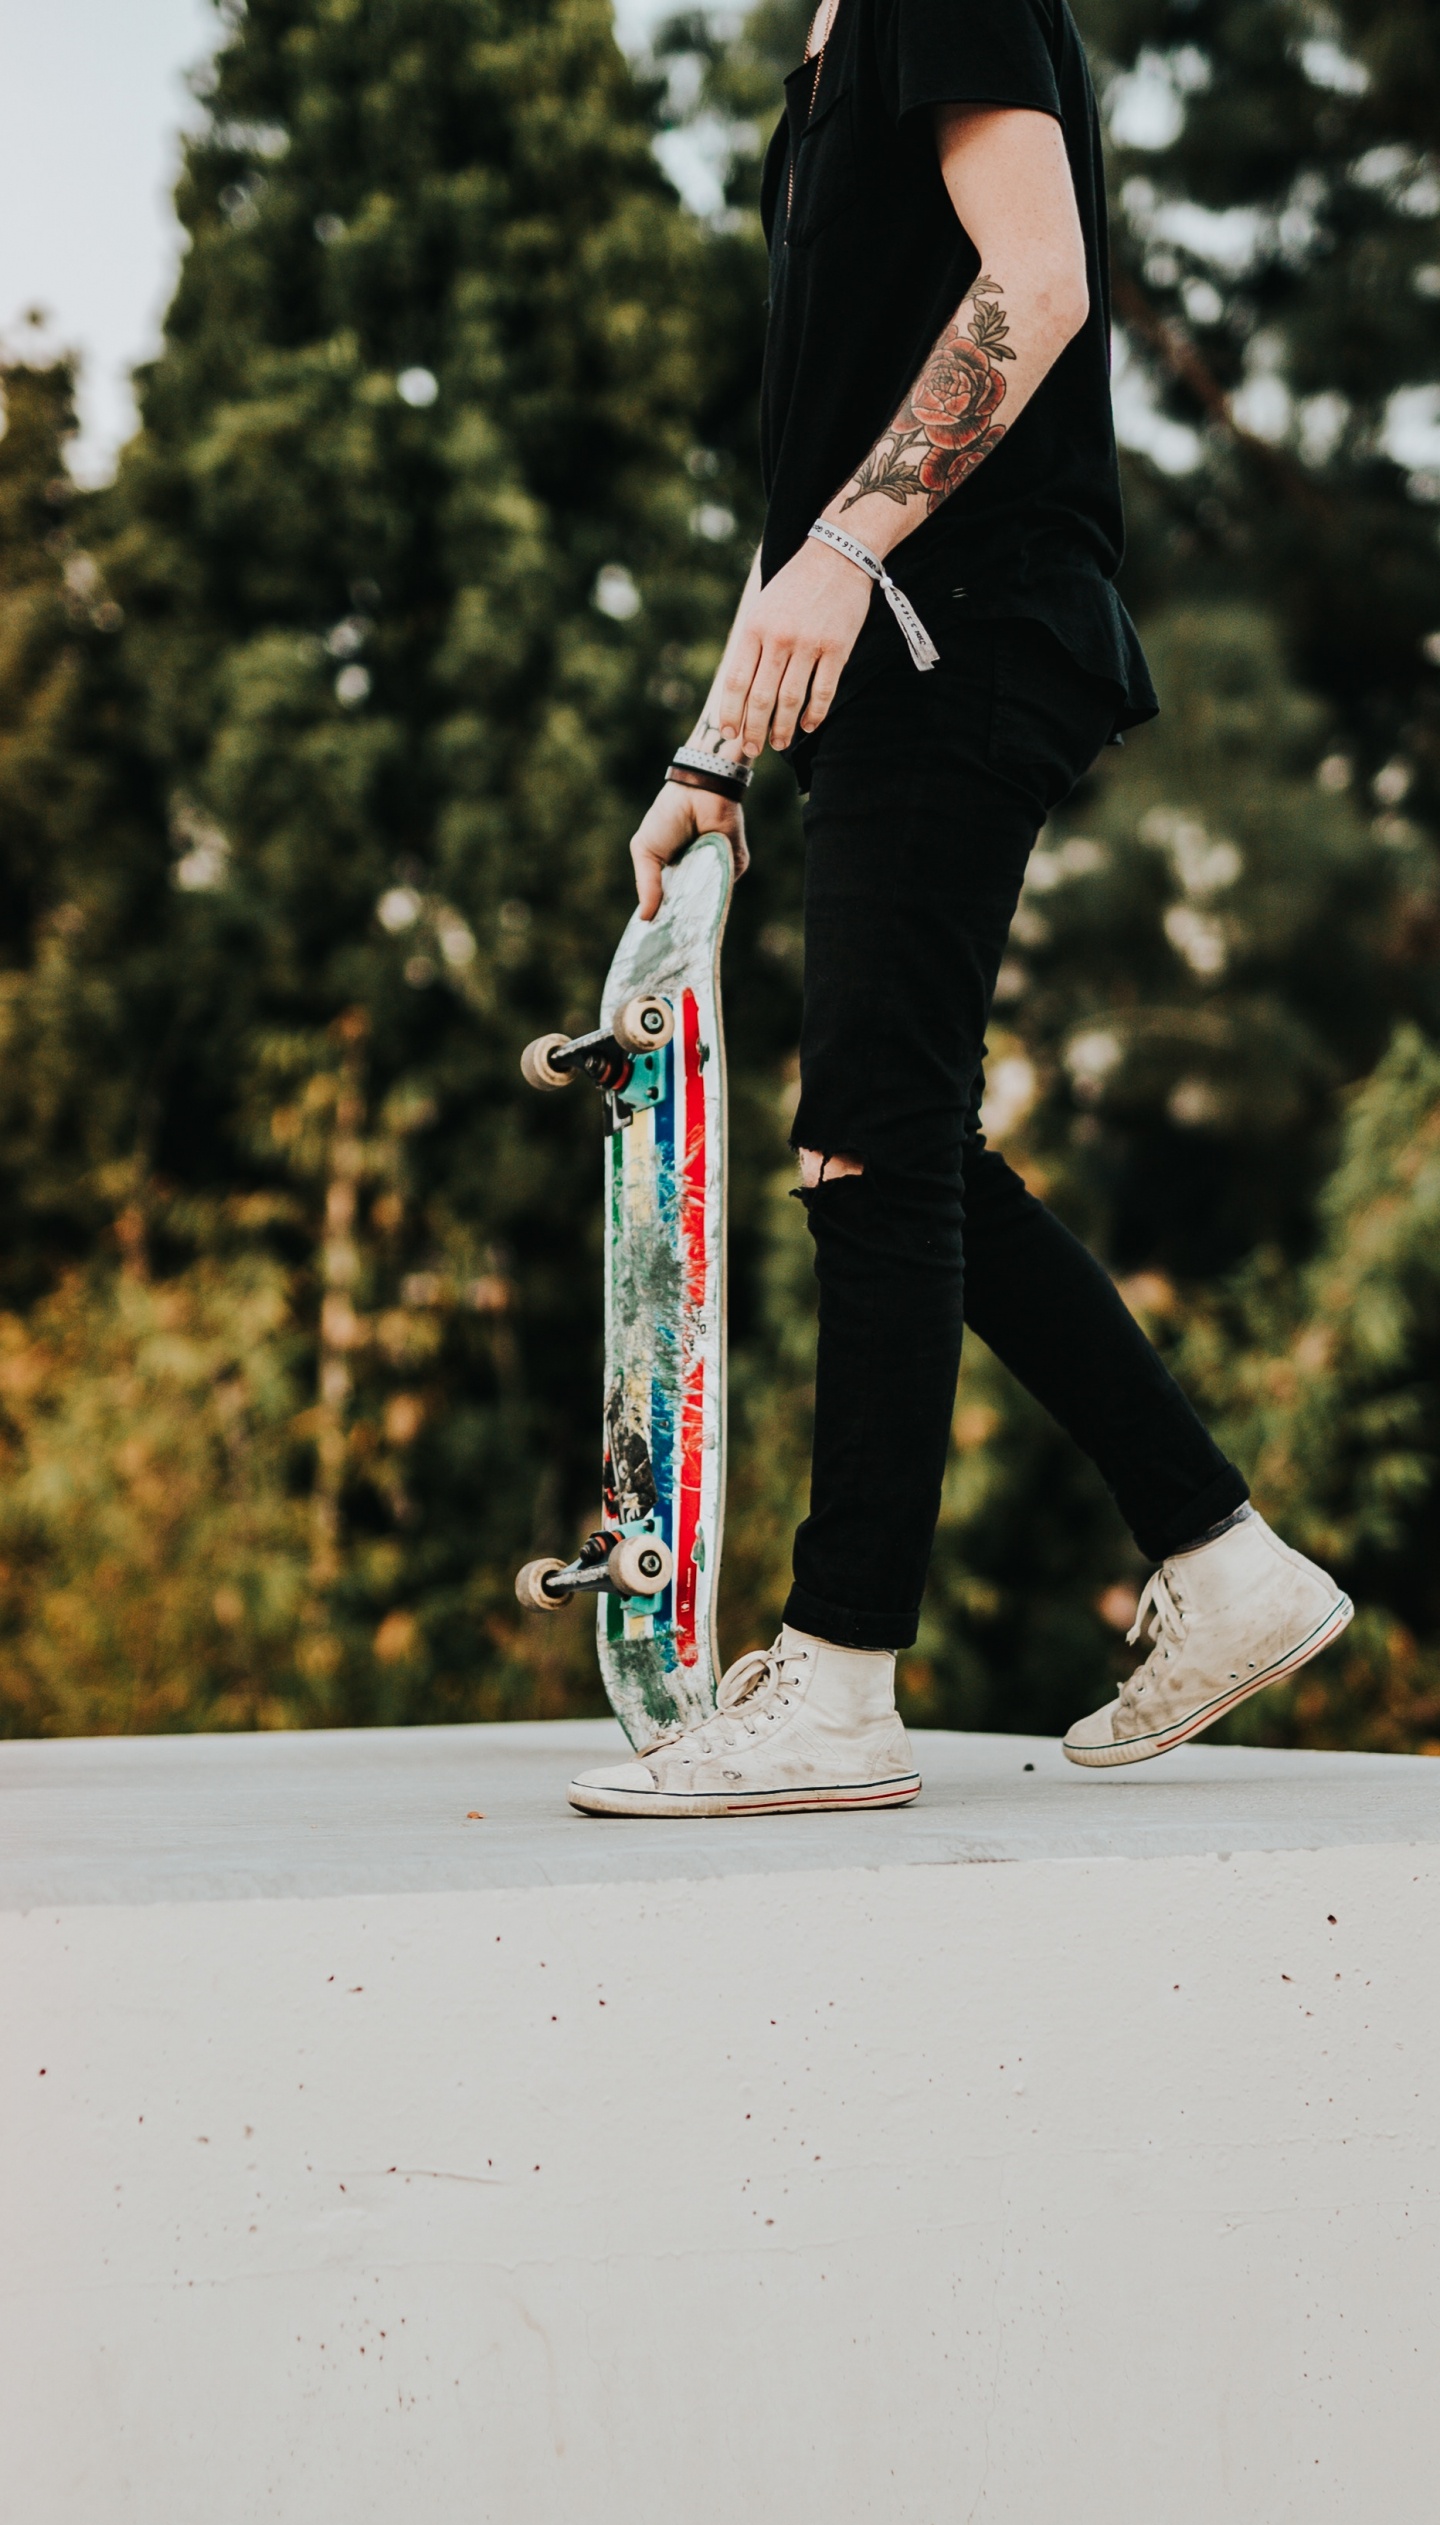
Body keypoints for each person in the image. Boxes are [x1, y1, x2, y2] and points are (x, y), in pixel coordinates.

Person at [567, 0, 1352, 1818]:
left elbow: (1043, 280)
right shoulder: (832, 58)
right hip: (899, 641)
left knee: (868, 1145)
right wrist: (714, 751)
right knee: (899, 1134)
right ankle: (1226, 1564)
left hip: (970, 619)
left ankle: (840, 1679)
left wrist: (849, 556)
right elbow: (821, 466)